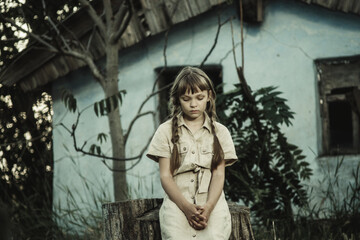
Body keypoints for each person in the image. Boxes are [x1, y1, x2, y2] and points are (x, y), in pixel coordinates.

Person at [146, 66, 238, 239]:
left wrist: (209, 207)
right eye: (186, 99)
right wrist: (187, 208)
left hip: (212, 201)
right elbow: (165, 176)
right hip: (177, 202)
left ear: (209, 96)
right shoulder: (165, 131)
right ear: (177, 100)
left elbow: (219, 174)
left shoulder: (221, 132)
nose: (193, 104)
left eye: (199, 97)